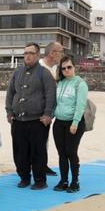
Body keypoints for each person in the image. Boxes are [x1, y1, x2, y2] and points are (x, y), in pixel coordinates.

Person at [5, 43, 56, 190]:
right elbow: (10, 93)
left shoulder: (44, 73)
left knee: (38, 152)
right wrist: (9, 112)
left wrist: (48, 115)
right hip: (18, 120)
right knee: (20, 152)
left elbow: (51, 95)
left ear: (38, 55)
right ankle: (24, 178)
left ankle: (40, 180)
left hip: (37, 121)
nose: (27, 55)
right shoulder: (17, 72)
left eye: (31, 53)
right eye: (26, 52)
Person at [51, 56, 88, 193]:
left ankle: (75, 181)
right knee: (62, 154)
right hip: (59, 123)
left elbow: (80, 105)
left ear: (74, 67)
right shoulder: (60, 84)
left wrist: (75, 123)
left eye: (69, 67)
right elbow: (57, 104)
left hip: (74, 124)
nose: (67, 70)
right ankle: (63, 180)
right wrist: (50, 117)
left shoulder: (80, 84)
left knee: (71, 153)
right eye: (64, 68)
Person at [39, 42, 64, 176]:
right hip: (38, 109)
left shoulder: (55, 69)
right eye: (61, 51)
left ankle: (43, 164)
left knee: (44, 139)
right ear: (52, 53)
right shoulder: (39, 67)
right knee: (37, 139)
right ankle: (37, 165)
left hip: (50, 110)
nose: (62, 54)